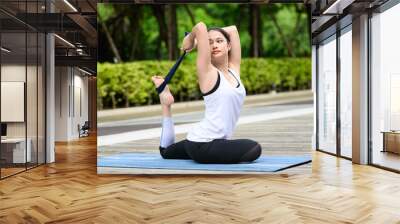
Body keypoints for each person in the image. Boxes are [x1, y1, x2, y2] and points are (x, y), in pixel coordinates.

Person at [151, 22, 261, 164]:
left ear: (229, 46)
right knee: (254, 148)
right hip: (203, 144)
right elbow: (200, 27)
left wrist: (197, 41)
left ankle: (165, 103)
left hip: (200, 141)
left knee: (166, 152)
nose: (214, 45)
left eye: (219, 41)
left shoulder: (234, 70)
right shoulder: (208, 72)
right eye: (209, 42)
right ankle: (165, 104)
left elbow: (233, 29)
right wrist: (190, 39)